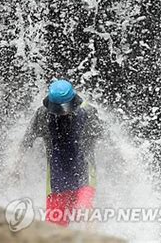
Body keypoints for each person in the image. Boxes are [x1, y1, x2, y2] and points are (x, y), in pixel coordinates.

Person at [23, 79, 106, 227]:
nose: (62, 113)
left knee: (86, 213)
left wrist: (126, 160)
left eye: (65, 109)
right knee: (55, 226)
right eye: (58, 110)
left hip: (84, 173)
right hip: (56, 178)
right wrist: (14, 166)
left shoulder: (88, 112)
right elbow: (26, 142)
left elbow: (108, 138)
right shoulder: (42, 114)